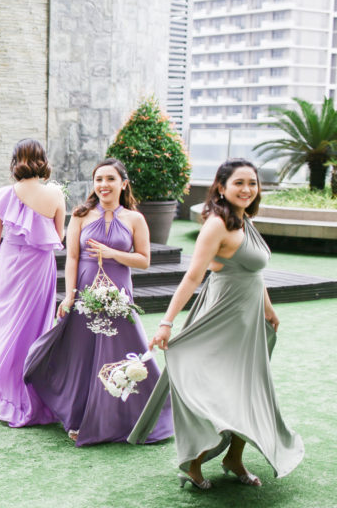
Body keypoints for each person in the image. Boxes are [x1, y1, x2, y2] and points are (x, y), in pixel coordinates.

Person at [129, 158, 303, 488]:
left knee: (250, 389)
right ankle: (193, 463)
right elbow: (193, 276)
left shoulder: (244, 219)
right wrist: (167, 322)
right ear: (221, 187)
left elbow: (255, 273)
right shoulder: (216, 225)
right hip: (222, 317)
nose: (248, 189)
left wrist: (268, 308)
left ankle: (233, 458)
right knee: (221, 389)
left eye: (252, 183)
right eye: (239, 183)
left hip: (247, 321)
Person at [23, 159, 173, 445]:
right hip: (86, 295)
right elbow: (73, 258)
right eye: (99, 179)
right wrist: (70, 295)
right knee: (83, 357)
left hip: (119, 295)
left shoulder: (134, 219)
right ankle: (79, 416)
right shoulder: (81, 215)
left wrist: (112, 253)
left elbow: (144, 260)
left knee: (123, 353)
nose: (103, 185)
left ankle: (139, 416)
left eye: (110, 179)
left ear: (123, 183)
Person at [0, 139, 63, 426]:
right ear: (43, 160)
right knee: (33, 329)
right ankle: (29, 393)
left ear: (15, 161)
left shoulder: (4, 195)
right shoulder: (55, 195)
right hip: (39, 266)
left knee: (1, 327)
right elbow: (59, 236)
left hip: (9, 263)